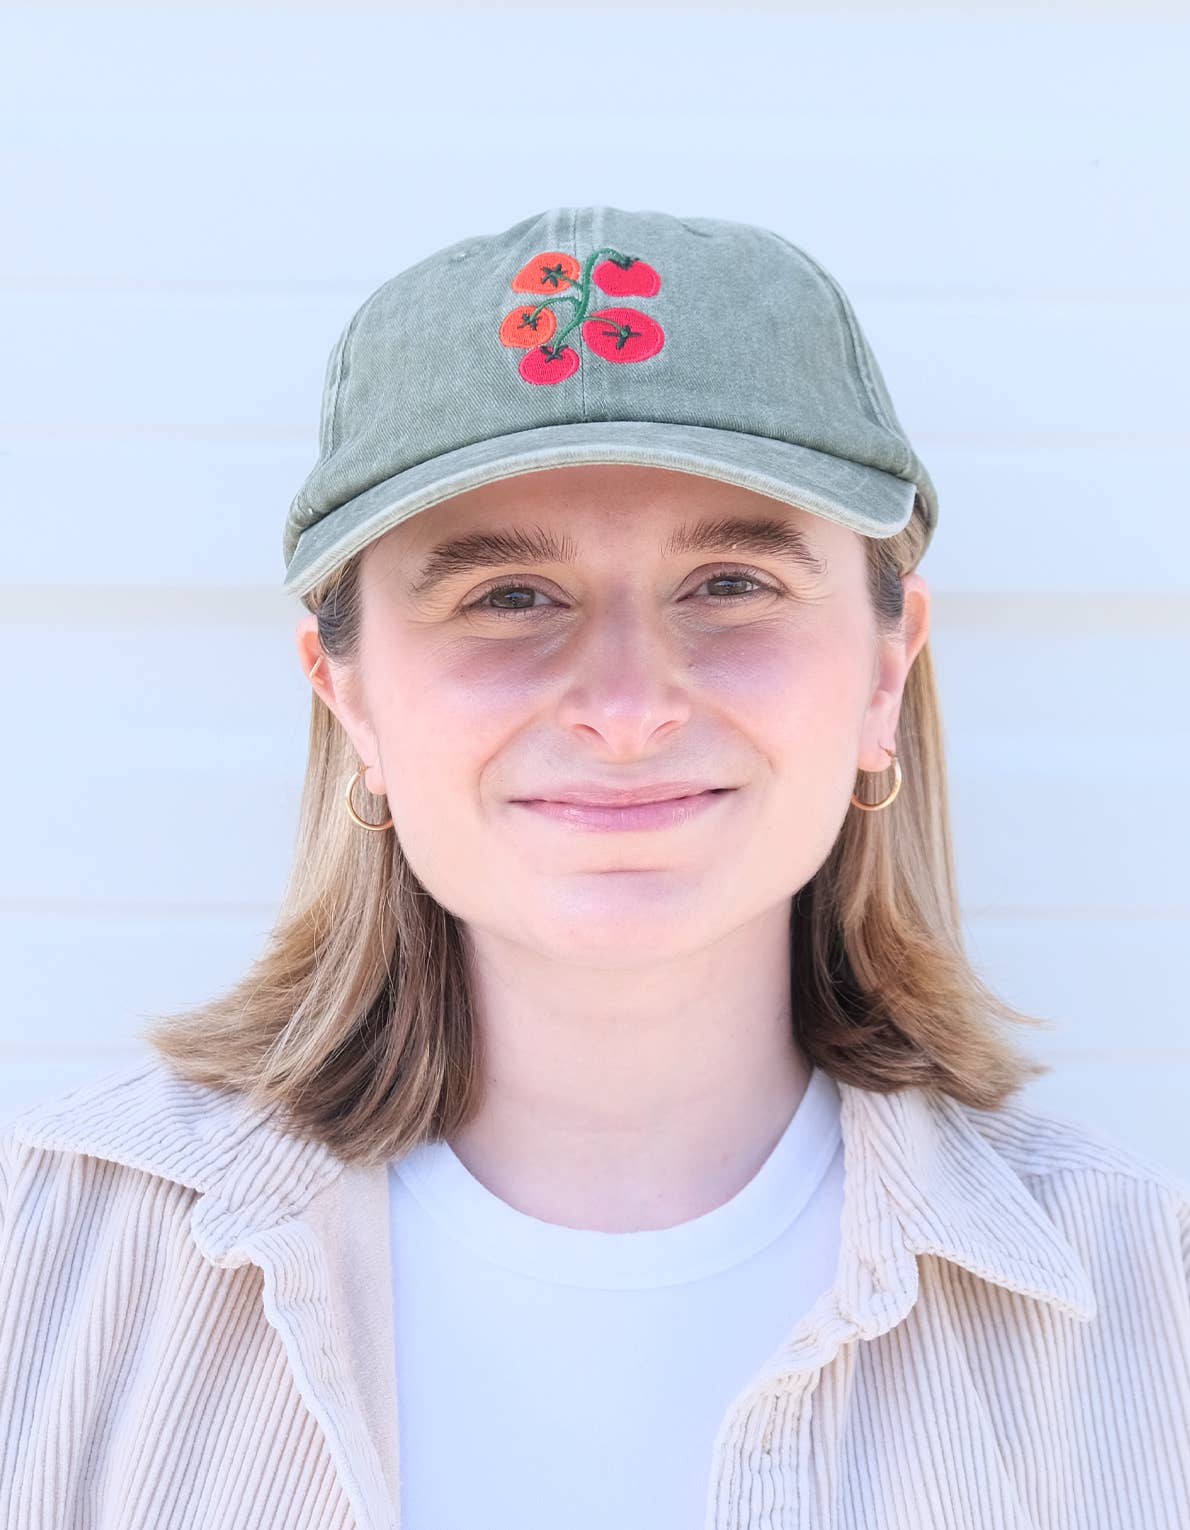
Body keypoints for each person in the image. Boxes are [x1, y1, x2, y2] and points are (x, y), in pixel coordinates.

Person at [2, 206, 1188, 1530]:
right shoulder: (43, 1262)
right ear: (346, 697)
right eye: (506, 595)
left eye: (729, 581)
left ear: (881, 667)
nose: (626, 705)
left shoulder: (1147, 1303)